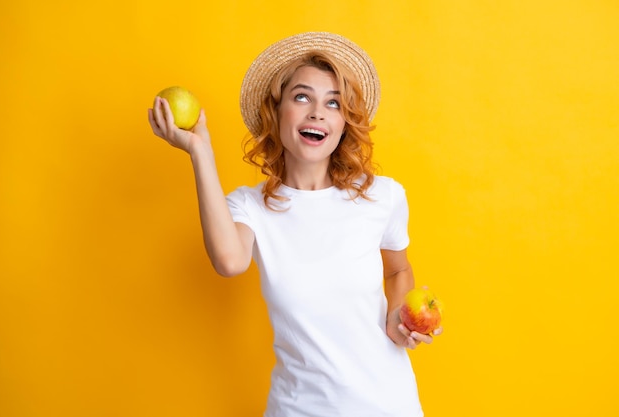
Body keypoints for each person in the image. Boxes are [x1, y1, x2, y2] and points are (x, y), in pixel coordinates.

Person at [148, 32, 441, 417]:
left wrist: (396, 314)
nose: (317, 112)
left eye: (332, 103)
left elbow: (399, 268)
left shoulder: (382, 196)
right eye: (302, 97)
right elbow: (229, 261)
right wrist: (199, 151)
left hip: (387, 406)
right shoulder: (249, 207)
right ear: (277, 111)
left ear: (343, 123)